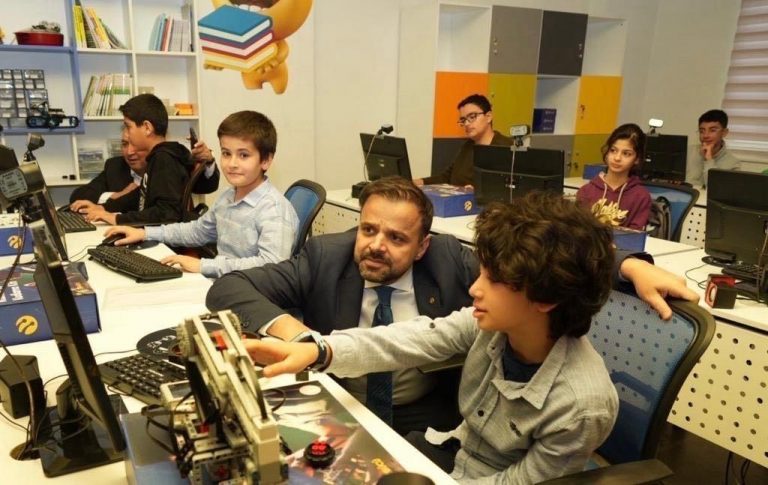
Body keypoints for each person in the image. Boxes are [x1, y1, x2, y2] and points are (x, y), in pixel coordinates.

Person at [206, 177, 697, 435]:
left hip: (431, 417)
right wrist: (305, 342)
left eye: (396, 238)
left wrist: (629, 267)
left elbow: (543, 262)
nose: (375, 246)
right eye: (368, 229)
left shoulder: (451, 264)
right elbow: (229, 289)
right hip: (344, 402)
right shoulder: (326, 256)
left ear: (423, 245)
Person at [241, 193, 621, 483]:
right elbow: (409, 339)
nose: (474, 289)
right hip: (449, 451)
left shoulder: (582, 405)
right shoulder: (492, 326)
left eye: (493, 280)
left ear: (546, 298)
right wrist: (317, 350)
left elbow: (516, 483)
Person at [104, 110, 299, 278]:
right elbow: (197, 231)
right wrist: (144, 233)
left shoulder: (274, 209)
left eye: (243, 155)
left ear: (265, 161)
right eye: (226, 153)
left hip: (253, 293)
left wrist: (203, 266)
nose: (232, 163)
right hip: (227, 283)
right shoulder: (228, 197)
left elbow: (272, 267)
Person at [77, 93, 209, 225]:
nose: (126, 133)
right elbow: (140, 196)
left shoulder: (164, 159)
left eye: (128, 126)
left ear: (147, 128)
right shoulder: (158, 156)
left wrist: (116, 219)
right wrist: (104, 208)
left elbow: (166, 213)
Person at [69, 132, 219, 214]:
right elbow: (78, 195)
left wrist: (208, 161)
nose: (130, 152)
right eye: (124, 144)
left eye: (135, 144)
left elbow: (207, 186)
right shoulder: (115, 166)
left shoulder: (167, 163)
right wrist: (117, 195)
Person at [414, 94, 511, 187]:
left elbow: (507, 188)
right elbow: (447, 177)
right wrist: (420, 182)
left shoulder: (507, 148)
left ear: (488, 117)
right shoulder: (467, 145)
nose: (467, 123)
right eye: (463, 120)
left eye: (472, 117)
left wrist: (477, 190)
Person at [576, 123, 652, 231]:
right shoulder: (586, 191)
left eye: (626, 154)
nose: (617, 158)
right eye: (613, 150)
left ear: (637, 159)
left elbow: (634, 236)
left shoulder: (641, 196)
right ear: (607, 152)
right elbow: (577, 231)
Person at [686, 109, 741, 187]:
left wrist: (709, 160)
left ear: (724, 132)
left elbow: (717, 189)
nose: (706, 135)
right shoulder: (687, 152)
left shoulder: (733, 164)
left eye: (712, 130)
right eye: (702, 131)